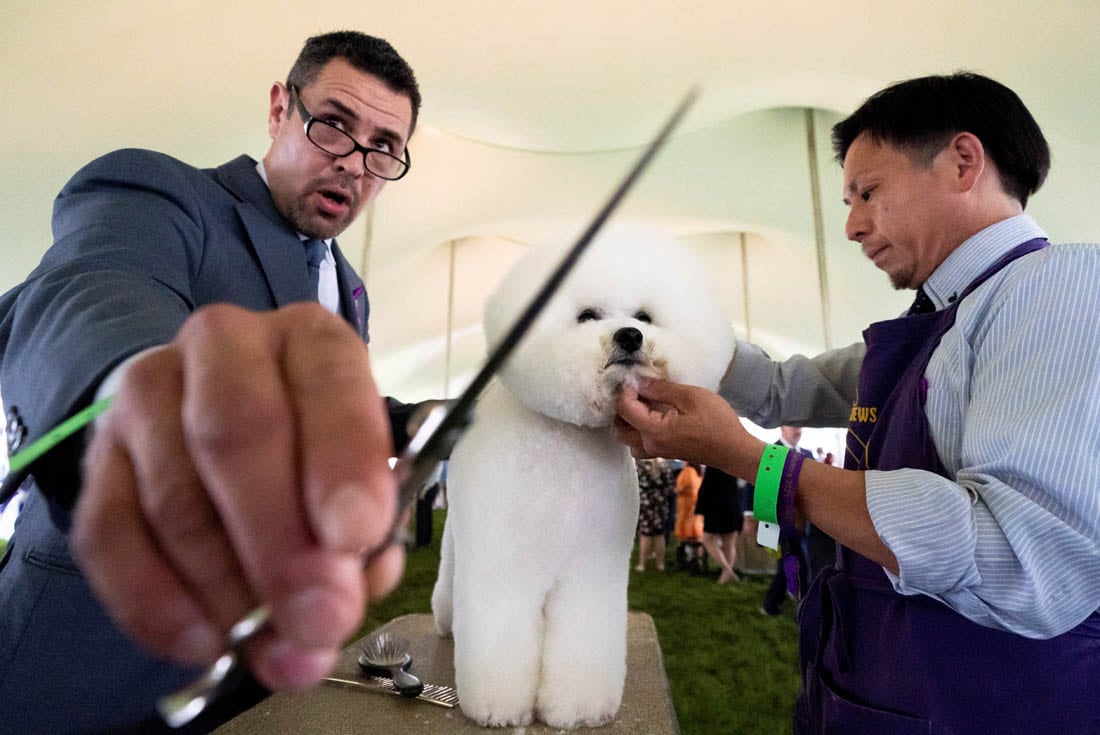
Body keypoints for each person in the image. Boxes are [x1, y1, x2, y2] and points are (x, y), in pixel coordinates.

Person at [615, 72, 1100, 733]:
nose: (851, 225)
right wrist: (665, 331)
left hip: (990, 705)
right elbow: (786, 386)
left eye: (868, 192)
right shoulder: (940, 321)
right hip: (882, 694)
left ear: (963, 161)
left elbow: (1010, 550)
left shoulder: (1057, 292)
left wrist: (750, 458)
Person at [0, 31, 425, 733]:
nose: (355, 164)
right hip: (86, 663)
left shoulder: (349, 290)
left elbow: (301, 401)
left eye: (384, 146)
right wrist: (137, 398)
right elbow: (93, 287)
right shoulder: (164, 195)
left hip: (249, 677)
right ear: (278, 109)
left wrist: (410, 420)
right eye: (335, 126)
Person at [757, 426, 819, 615]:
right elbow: (760, 486)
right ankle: (795, 605)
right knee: (795, 564)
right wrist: (750, 516)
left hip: (802, 523)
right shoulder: (771, 453)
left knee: (789, 564)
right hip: (778, 523)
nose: (797, 429)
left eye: (799, 425)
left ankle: (778, 602)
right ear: (782, 427)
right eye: (793, 424)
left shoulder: (807, 455)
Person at [693, 464, 742, 584]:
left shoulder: (714, 463)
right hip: (733, 505)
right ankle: (727, 574)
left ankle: (727, 571)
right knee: (729, 542)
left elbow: (707, 487)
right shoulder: (734, 464)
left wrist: (700, 508)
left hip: (716, 507)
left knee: (708, 539)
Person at [634, 457, 676, 571]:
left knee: (645, 534)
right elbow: (671, 486)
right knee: (660, 534)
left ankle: (642, 563)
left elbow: (635, 484)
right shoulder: (664, 465)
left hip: (645, 504)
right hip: (661, 504)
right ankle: (660, 564)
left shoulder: (640, 465)